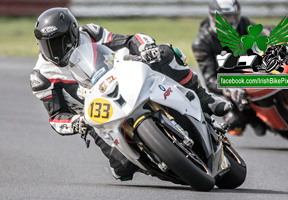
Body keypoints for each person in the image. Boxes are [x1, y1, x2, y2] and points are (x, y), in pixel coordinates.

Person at [30, 7, 232, 181]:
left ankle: (205, 99)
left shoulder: (90, 33)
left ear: (73, 34)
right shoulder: (42, 76)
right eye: (48, 45)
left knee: (165, 54)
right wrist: (76, 122)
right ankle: (159, 164)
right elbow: (56, 117)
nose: (55, 51)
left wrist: (145, 47)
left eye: (59, 42)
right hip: (98, 118)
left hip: (120, 81)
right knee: (122, 169)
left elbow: (127, 40)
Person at [192, 0, 267, 136]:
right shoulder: (202, 42)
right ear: (213, 17)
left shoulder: (244, 23)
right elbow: (210, 80)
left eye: (230, 16)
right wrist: (229, 89)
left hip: (253, 72)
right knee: (234, 124)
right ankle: (251, 118)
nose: (227, 20)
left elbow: (265, 33)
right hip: (229, 83)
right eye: (223, 17)